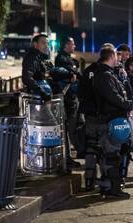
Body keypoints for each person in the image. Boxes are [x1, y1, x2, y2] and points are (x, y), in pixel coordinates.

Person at [82, 45, 133, 198]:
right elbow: (112, 96)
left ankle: (108, 188)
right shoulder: (104, 75)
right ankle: (114, 190)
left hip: (107, 118)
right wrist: (128, 104)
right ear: (111, 57)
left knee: (108, 155)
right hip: (108, 119)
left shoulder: (104, 73)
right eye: (116, 56)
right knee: (112, 155)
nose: (118, 59)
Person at [54, 37, 82, 168]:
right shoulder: (62, 59)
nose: (74, 46)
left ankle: (70, 156)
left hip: (71, 98)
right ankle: (66, 159)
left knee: (72, 128)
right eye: (72, 43)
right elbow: (72, 74)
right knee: (67, 129)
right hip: (67, 99)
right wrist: (75, 73)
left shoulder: (68, 58)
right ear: (66, 45)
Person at [22, 34, 52, 101]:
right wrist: (41, 92)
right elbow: (27, 77)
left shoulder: (40, 58)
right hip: (36, 99)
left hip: (42, 98)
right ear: (35, 44)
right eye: (43, 43)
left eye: (47, 43)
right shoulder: (32, 57)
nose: (46, 46)